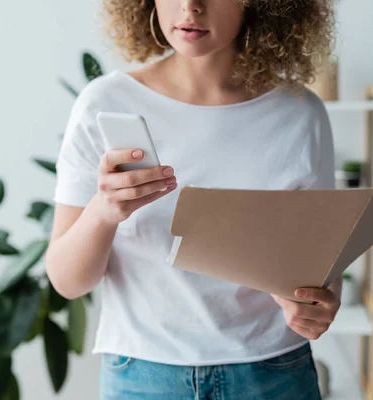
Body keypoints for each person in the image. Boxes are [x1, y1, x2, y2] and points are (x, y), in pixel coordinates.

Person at [45, 0, 341, 398]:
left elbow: (324, 264)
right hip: (143, 375)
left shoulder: (300, 114)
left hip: (271, 374)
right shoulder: (104, 105)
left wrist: (313, 304)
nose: (190, 6)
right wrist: (103, 212)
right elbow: (67, 282)